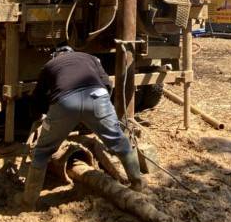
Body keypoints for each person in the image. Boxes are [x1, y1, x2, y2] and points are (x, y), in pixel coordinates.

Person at [20, 45, 143, 207]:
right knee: (119, 141)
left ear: (56, 55)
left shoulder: (50, 65)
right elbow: (107, 84)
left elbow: (38, 97)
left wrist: (44, 115)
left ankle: (29, 201)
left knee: (42, 151)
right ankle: (137, 184)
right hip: (97, 97)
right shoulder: (90, 58)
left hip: (64, 102)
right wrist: (102, 111)